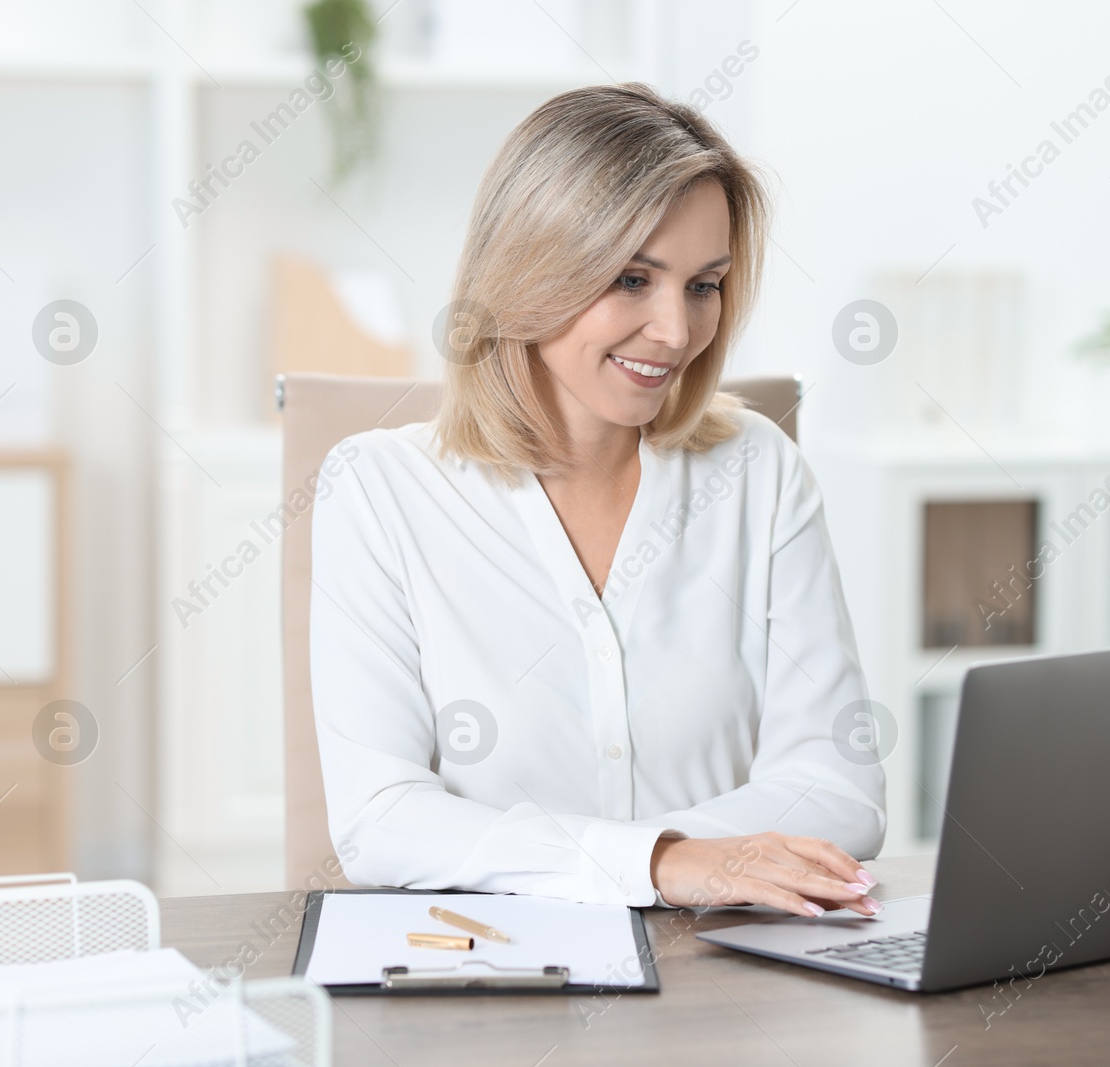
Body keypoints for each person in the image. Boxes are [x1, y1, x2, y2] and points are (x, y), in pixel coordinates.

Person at [309, 82, 885, 919]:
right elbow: (382, 821)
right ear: (528, 272)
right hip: (495, 987)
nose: (678, 333)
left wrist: (654, 863)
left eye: (703, 285)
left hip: (732, 980)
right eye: (631, 278)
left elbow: (840, 787)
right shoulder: (377, 491)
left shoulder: (760, 471)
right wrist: (658, 864)